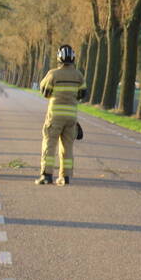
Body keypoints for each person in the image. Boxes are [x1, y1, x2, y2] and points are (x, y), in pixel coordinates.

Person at [36, 45, 87, 185]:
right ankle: (65, 177)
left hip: (55, 116)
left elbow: (45, 91)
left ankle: (46, 175)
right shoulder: (79, 75)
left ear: (59, 58)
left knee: (49, 144)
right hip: (71, 117)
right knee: (68, 147)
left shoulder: (53, 74)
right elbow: (82, 94)